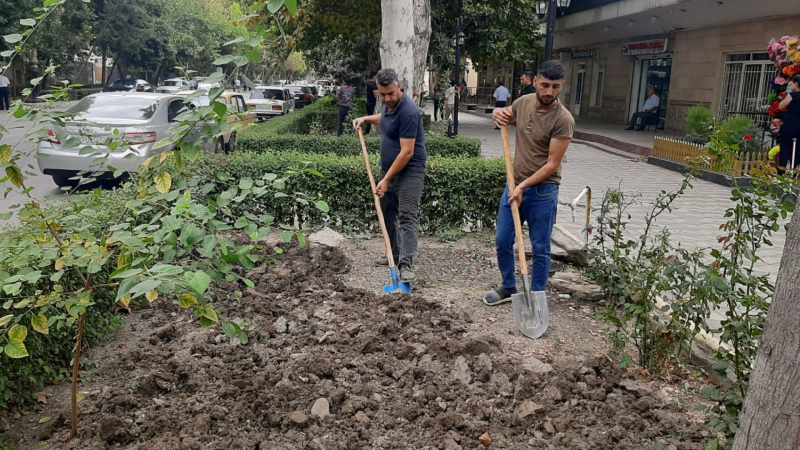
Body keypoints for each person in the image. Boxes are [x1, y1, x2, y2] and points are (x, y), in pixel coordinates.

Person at [484, 60, 575, 306]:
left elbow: (552, 164)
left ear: (562, 85)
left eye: (555, 87)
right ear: (535, 82)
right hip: (514, 185)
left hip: (543, 191)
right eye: (544, 85)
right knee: (503, 240)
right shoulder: (523, 102)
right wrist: (497, 114)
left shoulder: (563, 119)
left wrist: (523, 187)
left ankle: (536, 297)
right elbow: (506, 115)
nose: (549, 92)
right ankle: (508, 287)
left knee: (540, 247)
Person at [352, 68, 427, 283]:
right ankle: (393, 255)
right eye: (382, 95)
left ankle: (406, 265)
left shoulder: (409, 111)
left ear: (399, 87)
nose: (386, 99)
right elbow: (384, 118)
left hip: (410, 172)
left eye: (390, 94)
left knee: (407, 216)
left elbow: (407, 152)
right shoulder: (388, 105)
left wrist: (385, 180)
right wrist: (365, 119)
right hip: (388, 170)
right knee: (387, 213)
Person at [778, 75, 800, 173]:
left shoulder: (792, 95)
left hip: (790, 126)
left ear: (796, 84)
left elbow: (780, 107)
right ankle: (794, 173)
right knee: (797, 150)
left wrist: (787, 95)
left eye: (791, 84)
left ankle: (781, 173)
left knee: (785, 149)